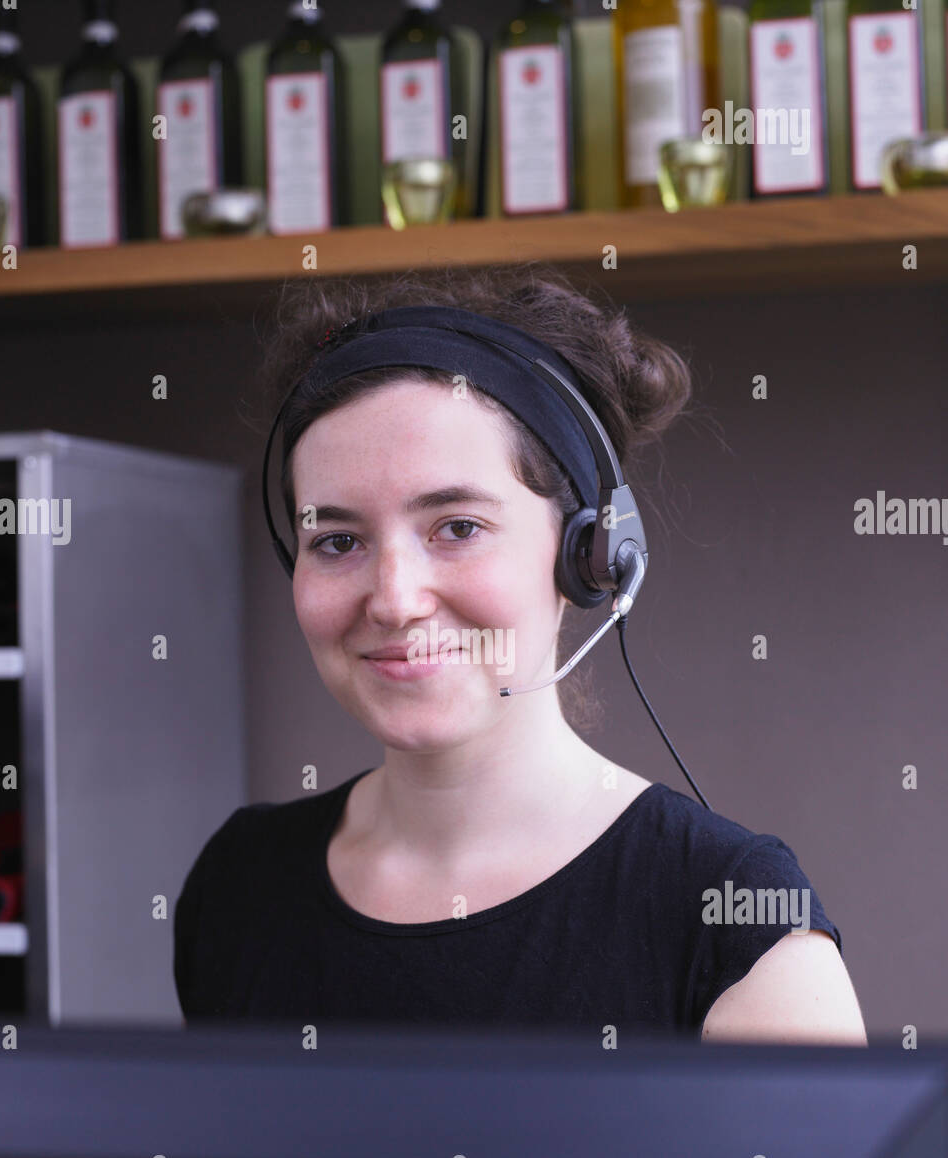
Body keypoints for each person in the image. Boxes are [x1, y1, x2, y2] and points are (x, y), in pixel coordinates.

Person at [174, 263, 867, 1044]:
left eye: (458, 527)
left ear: (588, 556)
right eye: (337, 541)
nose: (394, 598)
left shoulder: (737, 920)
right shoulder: (239, 883)